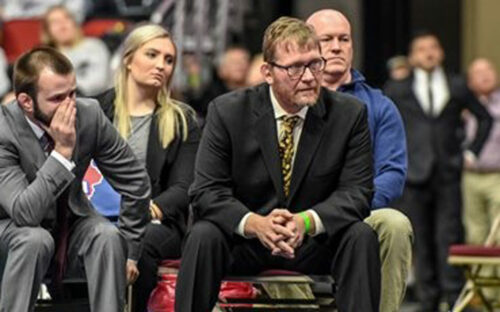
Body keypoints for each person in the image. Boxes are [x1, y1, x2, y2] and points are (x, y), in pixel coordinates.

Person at [174, 16, 380, 312]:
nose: (309, 77)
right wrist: (256, 224)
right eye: (295, 67)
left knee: (361, 236)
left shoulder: (349, 115)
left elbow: (357, 194)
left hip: (312, 241)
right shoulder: (228, 111)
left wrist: (305, 221)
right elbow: (206, 191)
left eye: (315, 64)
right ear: (267, 73)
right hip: (245, 240)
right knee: (203, 235)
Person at [0, 46, 151, 311]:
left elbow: (136, 182)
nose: (70, 105)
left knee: (106, 235)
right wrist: (62, 152)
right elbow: (24, 213)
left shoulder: (89, 114)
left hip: (70, 224)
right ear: (26, 102)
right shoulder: (3, 131)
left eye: (72, 92)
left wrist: (131, 252)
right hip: (9, 232)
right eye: (58, 98)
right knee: (35, 239)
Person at [306, 9, 412, 312]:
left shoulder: (379, 106)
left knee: (394, 223)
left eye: (344, 39)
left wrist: (342, 210)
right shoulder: (292, 99)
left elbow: (392, 175)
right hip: (300, 214)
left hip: (361, 213)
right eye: (326, 39)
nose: (337, 46)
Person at [385, 32, 493, 311]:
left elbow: (485, 117)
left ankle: (454, 298)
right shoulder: (399, 88)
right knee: (419, 238)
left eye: (433, 47)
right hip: (414, 174)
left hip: (447, 173)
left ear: (441, 53)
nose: (428, 53)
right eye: (421, 49)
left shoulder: (456, 85)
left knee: (448, 235)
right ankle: (427, 300)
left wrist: (470, 152)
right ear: (412, 56)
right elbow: (384, 123)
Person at [96, 24, 200, 312]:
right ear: (128, 59)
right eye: (152, 54)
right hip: (97, 215)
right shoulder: (95, 110)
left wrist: (146, 210)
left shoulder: (182, 119)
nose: (161, 65)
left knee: (137, 241)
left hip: (156, 222)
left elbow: (184, 188)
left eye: (168, 60)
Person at [462, 58, 500, 301]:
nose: (484, 75)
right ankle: (485, 296)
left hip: (498, 176)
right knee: (476, 235)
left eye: (488, 71)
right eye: (478, 72)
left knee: (498, 236)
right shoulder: (463, 107)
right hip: (470, 178)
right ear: (469, 81)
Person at [42, 5, 111, 96]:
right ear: (48, 32)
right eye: (55, 22)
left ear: (74, 24)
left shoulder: (94, 46)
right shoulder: (45, 58)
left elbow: (98, 83)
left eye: (66, 19)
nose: (62, 25)